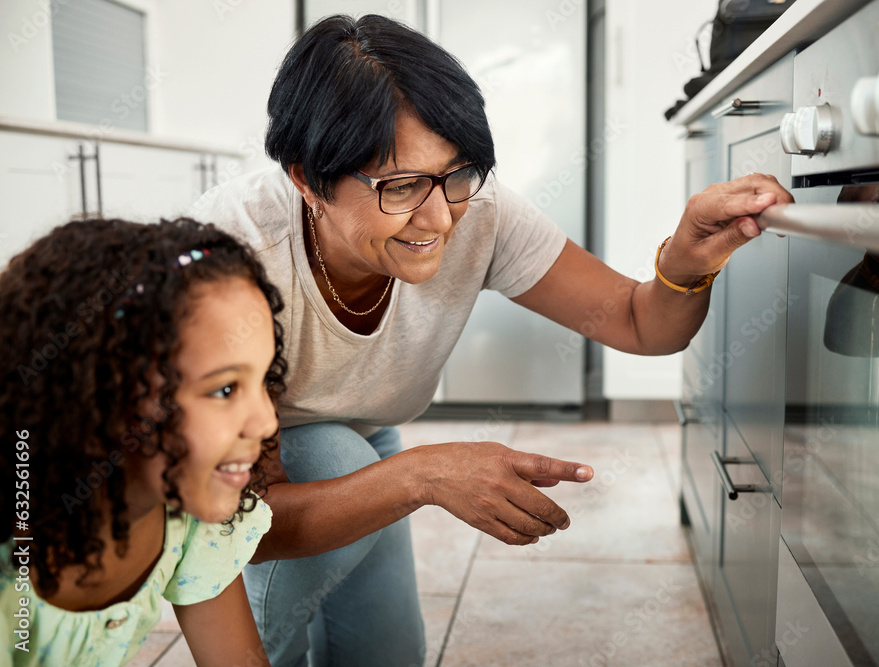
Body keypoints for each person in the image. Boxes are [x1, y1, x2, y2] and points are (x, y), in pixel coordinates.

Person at [192, 13, 793, 667]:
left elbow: (640, 322)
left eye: (457, 174)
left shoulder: (477, 209)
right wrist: (422, 474)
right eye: (399, 186)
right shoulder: (234, 252)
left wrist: (684, 262)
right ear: (307, 180)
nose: (438, 217)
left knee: (389, 651)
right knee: (325, 478)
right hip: (254, 460)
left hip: (370, 432)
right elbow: (241, 521)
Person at [0, 218, 286, 666]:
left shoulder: (188, 520)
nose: (266, 422)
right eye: (224, 389)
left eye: (263, 379)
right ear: (101, 393)